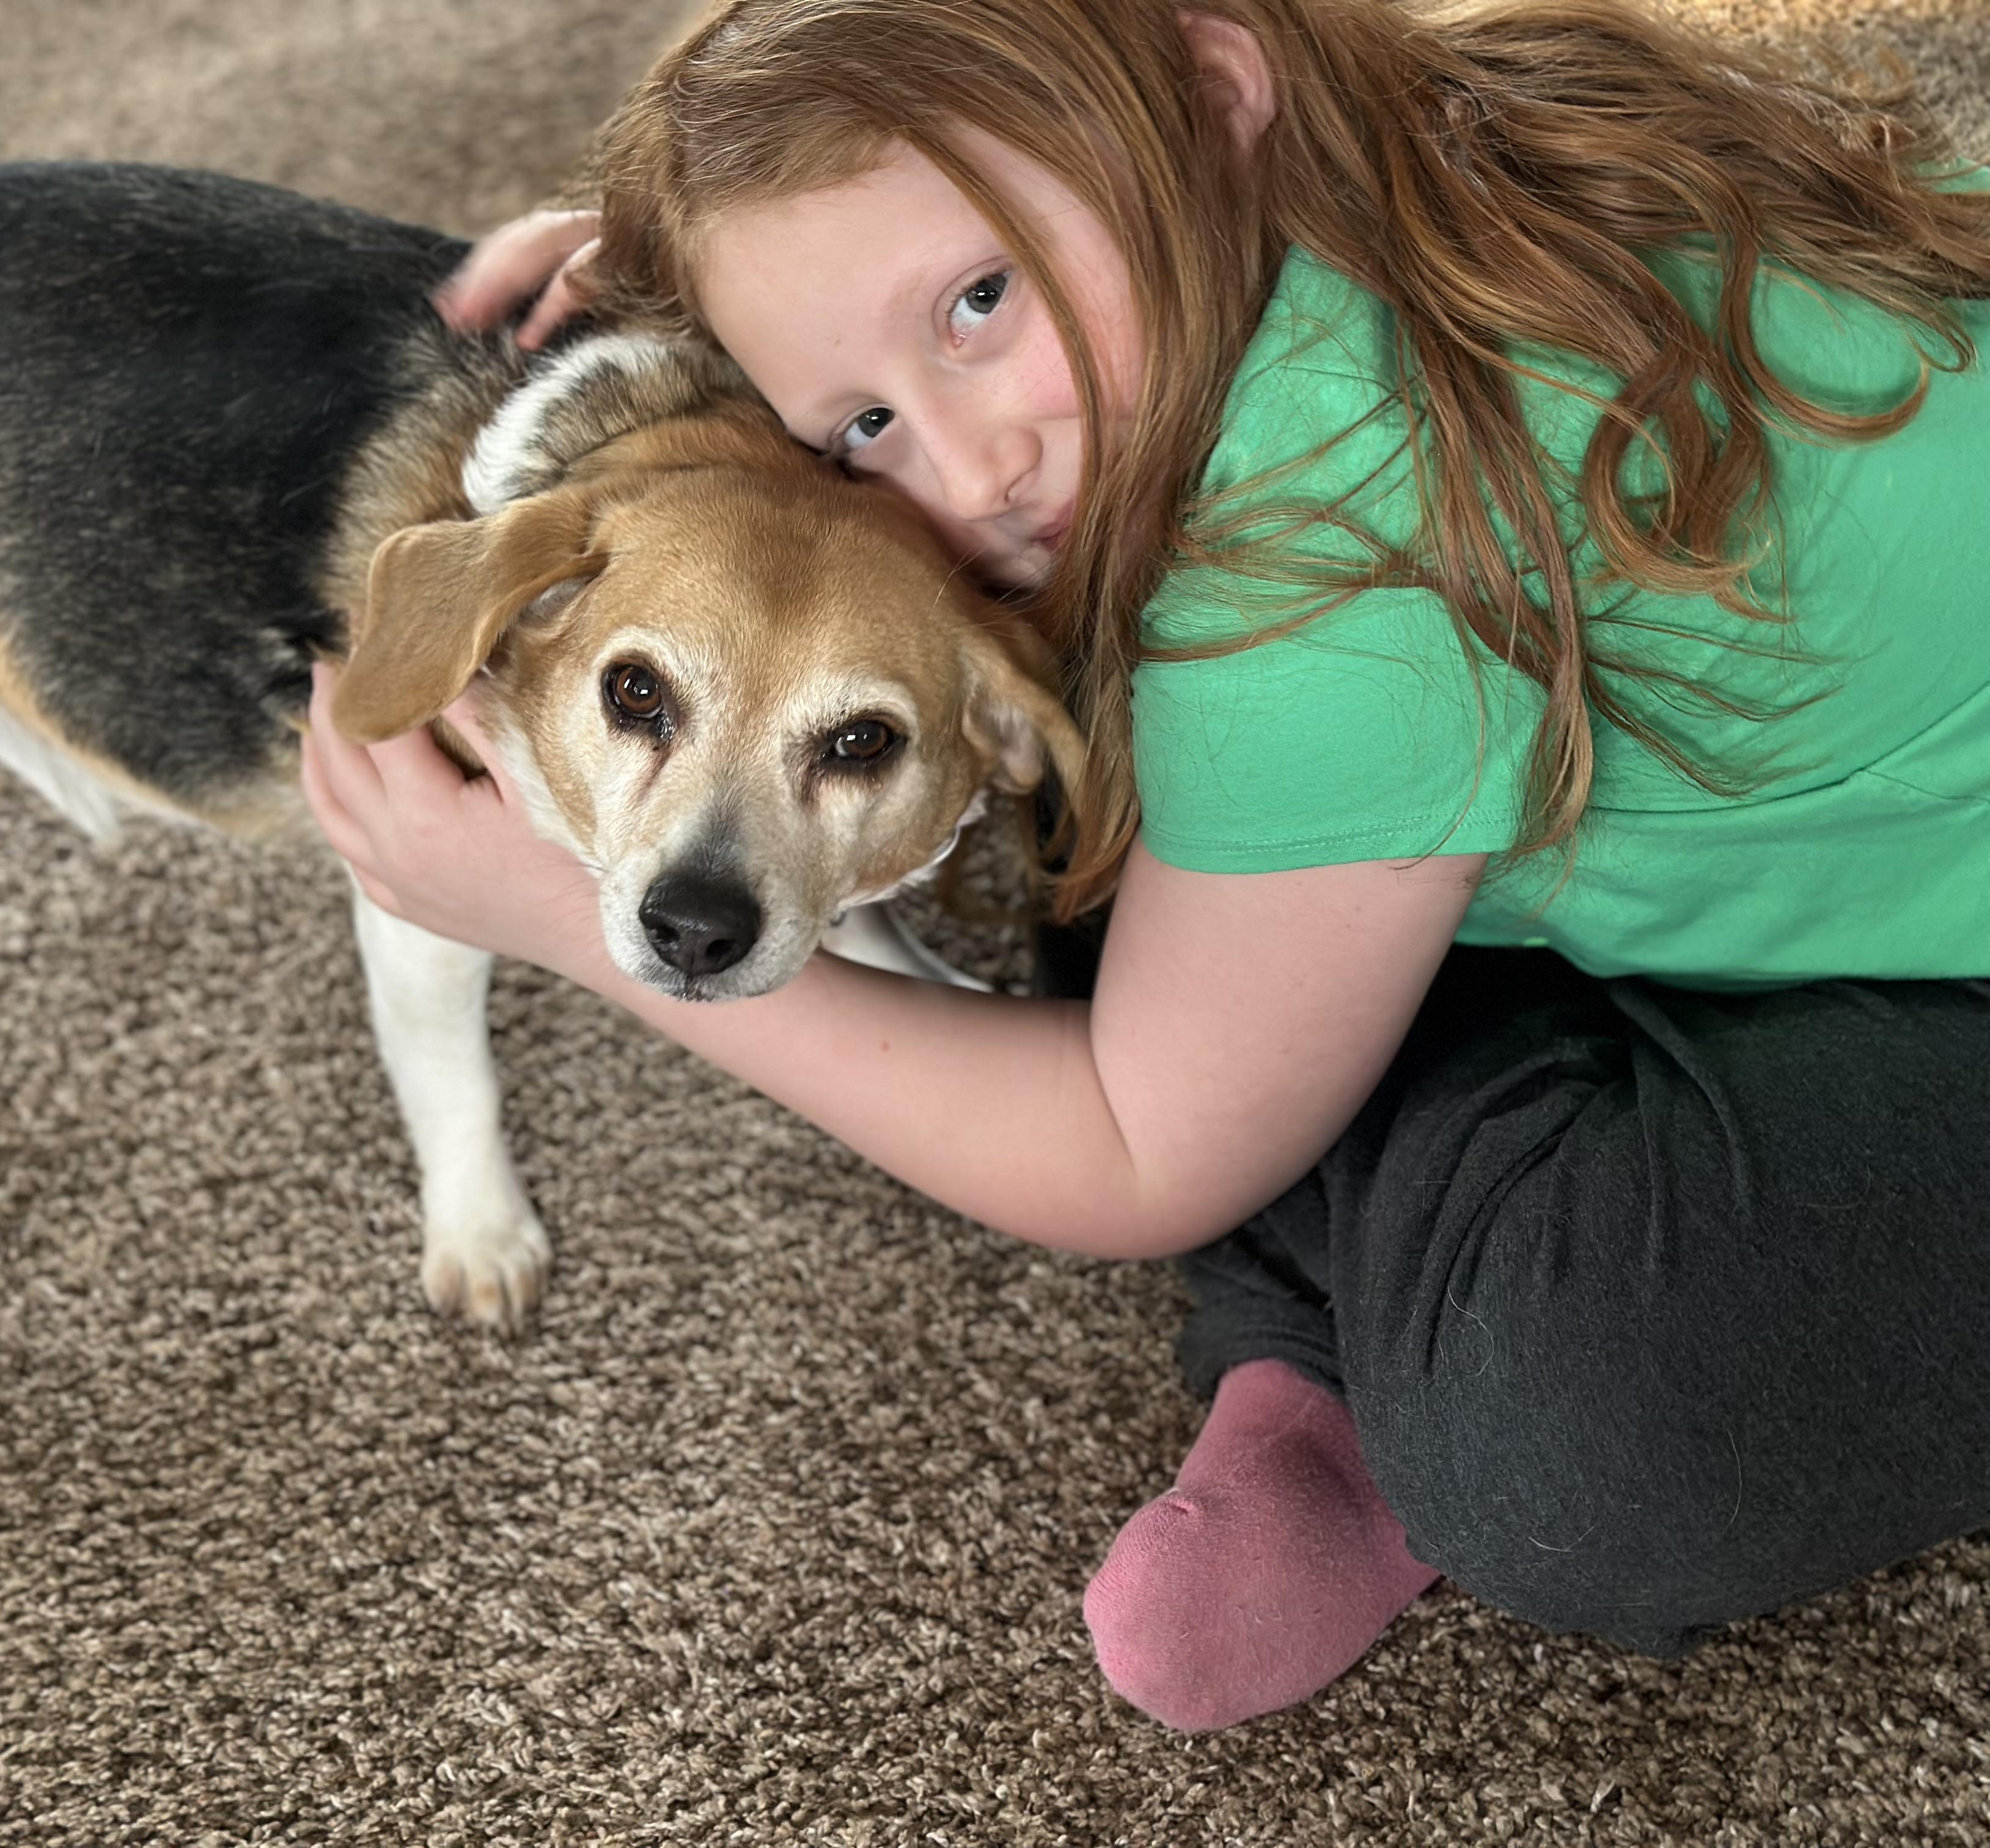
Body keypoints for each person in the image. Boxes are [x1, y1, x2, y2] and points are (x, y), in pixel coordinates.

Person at [300, 0, 1990, 1731]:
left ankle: (1354, 1335)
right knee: (1087, 797)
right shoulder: (1363, 168)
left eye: (977, 301)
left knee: (1569, 1438)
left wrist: (552, 920)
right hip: (1772, 850)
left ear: (1207, 84)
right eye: (854, 426)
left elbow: (1131, 1156)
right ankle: (1368, 1173)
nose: (967, 465)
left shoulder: (1336, 560)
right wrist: (701, 284)